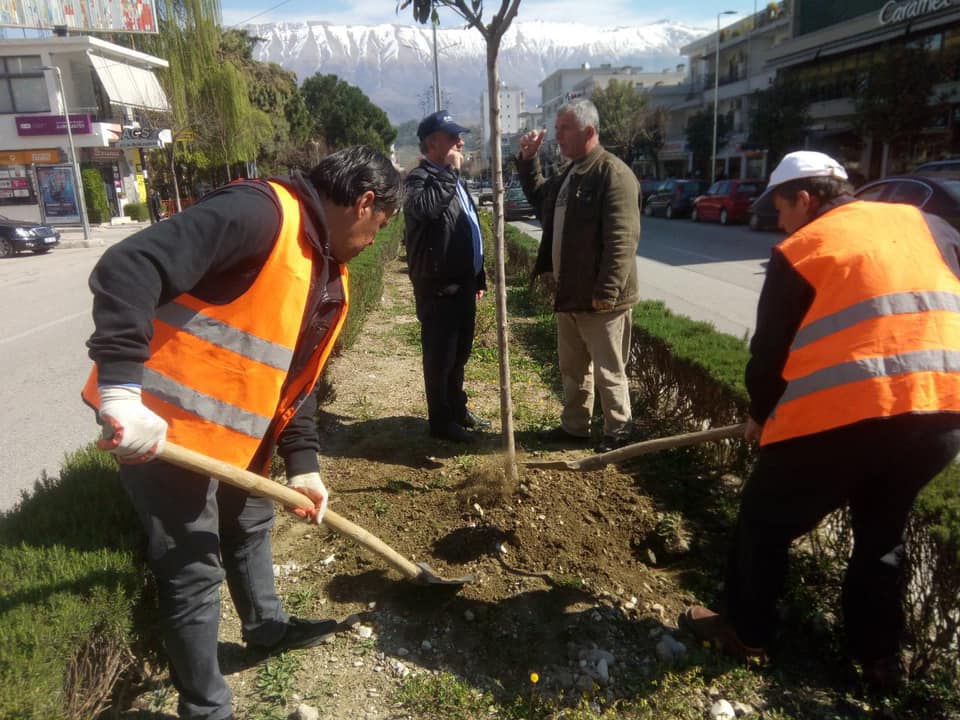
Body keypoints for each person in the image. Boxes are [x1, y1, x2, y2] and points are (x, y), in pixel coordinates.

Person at [81, 145, 402, 720]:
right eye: (379, 227)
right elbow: (127, 266)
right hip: (160, 429)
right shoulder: (260, 215)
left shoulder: (327, 269)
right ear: (364, 203)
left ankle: (267, 627)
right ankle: (207, 708)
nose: (375, 240)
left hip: (235, 439)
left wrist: (303, 464)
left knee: (251, 520)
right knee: (192, 567)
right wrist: (122, 393)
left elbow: (293, 380)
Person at [680, 151, 960, 693]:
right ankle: (878, 661)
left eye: (780, 208)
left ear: (805, 200)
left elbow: (768, 357)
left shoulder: (802, 248)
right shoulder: (926, 223)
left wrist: (760, 417)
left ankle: (748, 633)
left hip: (855, 416)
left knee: (763, 520)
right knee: (881, 535)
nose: (777, 221)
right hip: (940, 412)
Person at [517, 98, 641, 454]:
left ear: (589, 131)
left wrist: (608, 291)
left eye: (564, 129)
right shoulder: (570, 173)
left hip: (602, 300)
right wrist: (528, 161)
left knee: (608, 370)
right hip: (569, 294)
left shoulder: (612, 174)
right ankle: (575, 427)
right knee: (572, 370)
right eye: (557, 130)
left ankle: (618, 431)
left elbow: (622, 238)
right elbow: (541, 200)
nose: (558, 137)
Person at [404, 110, 490, 443]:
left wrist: (477, 276)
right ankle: (440, 422)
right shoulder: (419, 179)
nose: (460, 142)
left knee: (459, 356)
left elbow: (468, 227)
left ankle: (457, 409)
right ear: (433, 143)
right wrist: (450, 172)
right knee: (440, 359)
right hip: (438, 287)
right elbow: (426, 209)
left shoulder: (450, 179)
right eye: (453, 137)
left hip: (462, 286)